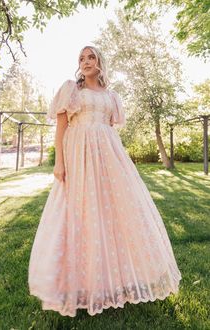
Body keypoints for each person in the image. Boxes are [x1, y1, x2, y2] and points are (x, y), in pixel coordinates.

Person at [28, 45, 182, 317]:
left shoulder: (112, 96)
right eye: (81, 58)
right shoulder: (71, 89)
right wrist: (60, 162)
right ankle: (76, 285)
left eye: (91, 57)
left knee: (113, 211)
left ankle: (116, 280)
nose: (85, 62)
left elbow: (109, 129)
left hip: (108, 158)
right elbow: (62, 128)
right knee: (79, 211)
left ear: (100, 62)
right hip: (79, 154)